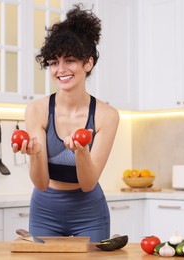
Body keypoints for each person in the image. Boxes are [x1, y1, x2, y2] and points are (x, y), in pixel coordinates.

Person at [12, 4, 119, 242]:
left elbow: (89, 183)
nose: (60, 70)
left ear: (88, 63)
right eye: (53, 62)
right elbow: (40, 182)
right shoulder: (37, 110)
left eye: (70, 60)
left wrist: (80, 152)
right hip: (45, 209)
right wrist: (35, 153)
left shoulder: (106, 115)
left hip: (89, 210)